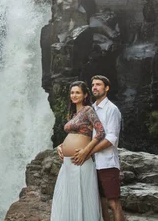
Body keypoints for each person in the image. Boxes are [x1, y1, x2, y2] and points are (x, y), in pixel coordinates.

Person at [72, 75, 124, 221]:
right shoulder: (90, 109)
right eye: (93, 84)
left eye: (99, 84)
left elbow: (111, 139)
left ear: (106, 88)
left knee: (114, 203)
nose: (95, 87)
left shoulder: (111, 109)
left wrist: (88, 152)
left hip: (107, 163)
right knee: (100, 203)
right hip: (91, 165)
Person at [52, 81, 105, 221]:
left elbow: (100, 132)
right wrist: (60, 146)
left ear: (85, 95)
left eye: (77, 92)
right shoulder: (73, 114)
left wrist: (86, 151)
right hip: (68, 163)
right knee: (67, 197)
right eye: (72, 93)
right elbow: (72, 136)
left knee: (82, 197)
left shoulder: (88, 110)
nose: (74, 95)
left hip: (81, 161)